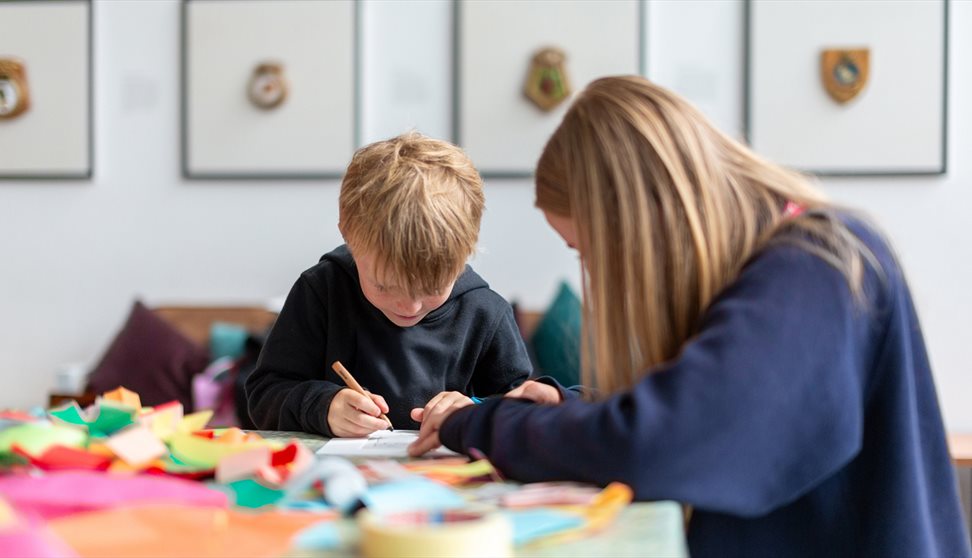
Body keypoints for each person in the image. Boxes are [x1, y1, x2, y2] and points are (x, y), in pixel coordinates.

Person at [409, 76, 971, 557]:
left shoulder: (815, 265)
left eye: (588, 253)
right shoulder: (779, 266)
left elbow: (660, 442)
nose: (597, 276)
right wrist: (570, 408)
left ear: (635, 223)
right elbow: (708, 408)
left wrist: (480, 424)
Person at [246, 132, 531, 438]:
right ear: (347, 233)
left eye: (432, 288)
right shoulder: (321, 292)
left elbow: (526, 412)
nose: (409, 307)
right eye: (384, 286)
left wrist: (475, 411)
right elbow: (264, 394)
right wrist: (324, 408)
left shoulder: (486, 313)